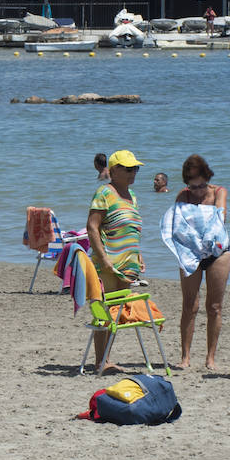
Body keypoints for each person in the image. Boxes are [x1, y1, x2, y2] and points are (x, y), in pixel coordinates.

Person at [87, 150, 145, 373]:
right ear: (113, 171)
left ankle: (106, 359)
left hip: (127, 265)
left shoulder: (132, 195)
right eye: (128, 169)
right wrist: (103, 258)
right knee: (103, 311)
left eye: (135, 169)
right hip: (107, 263)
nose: (133, 173)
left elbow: (131, 229)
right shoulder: (104, 193)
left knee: (116, 311)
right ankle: (100, 361)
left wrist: (138, 254)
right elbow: (92, 226)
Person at [172, 155, 229, 371]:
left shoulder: (219, 192)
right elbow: (177, 226)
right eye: (193, 187)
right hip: (190, 252)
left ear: (208, 178)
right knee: (190, 305)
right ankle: (185, 357)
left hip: (217, 252)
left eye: (202, 185)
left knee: (214, 306)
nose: (198, 191)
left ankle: (210, 358)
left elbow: (220, 220)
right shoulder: (182, 196)